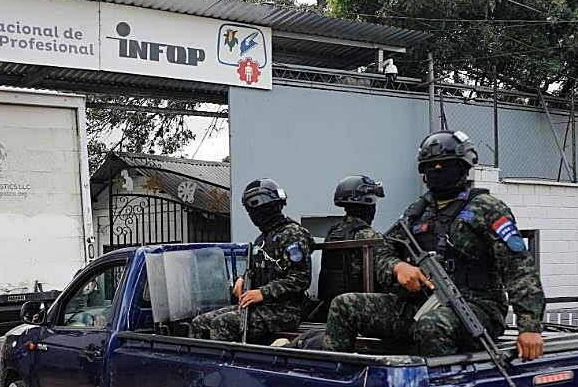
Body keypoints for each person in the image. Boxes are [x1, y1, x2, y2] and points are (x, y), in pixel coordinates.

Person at [323, 130, 546, 361]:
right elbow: (384, 252)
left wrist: (529, 327)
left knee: (433, 325)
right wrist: (398, 268)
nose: (437, 170)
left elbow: (519, 269)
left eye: (445, 165)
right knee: (344, 305)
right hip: (420, 305)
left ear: (463, 167)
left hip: (476, 309)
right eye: (432, 166)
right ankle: (336, 381)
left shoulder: (487, 209)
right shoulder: (416, 213)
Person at [189, 178, 312, 343]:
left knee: (222, 323)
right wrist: (242, 279)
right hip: (259, 308)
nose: (255, 216)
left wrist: (262, 293)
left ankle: (224, 368)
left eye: (259, 210)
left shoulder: (292, 234)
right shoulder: (261, 240)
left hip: (285, 310)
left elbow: (300, 279)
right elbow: (254, 270)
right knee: (200, 322)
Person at [319, 175, 386, 301]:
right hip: (358, 306)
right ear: (367, 203)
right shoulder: (369, 235)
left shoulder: (333, 232)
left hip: (330, 304)